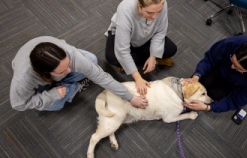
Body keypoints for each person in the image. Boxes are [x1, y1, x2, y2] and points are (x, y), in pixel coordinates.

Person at [10, 36, 148, 111]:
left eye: (68, 65)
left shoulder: (72, 56)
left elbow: (102, 77)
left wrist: (129, 97)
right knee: (55, 105)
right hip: (41, 85)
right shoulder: (24, 79)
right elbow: (18, 105)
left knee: (92, 60)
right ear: (47, 72)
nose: (69, 71)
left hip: (60, 68)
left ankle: (65, 86)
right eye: (63, 71)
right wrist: (51, 95)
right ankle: (71, 87)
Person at [105, 0, 177, 96]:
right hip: (124, 37)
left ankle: (131, 63)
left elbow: (160, 32)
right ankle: (132, 63)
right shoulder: (125, 9)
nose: (154, 17)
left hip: (147, 35)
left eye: (159, 12)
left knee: (171, 49)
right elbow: (122, 50)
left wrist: (153, 56)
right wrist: (138, 78)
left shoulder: (161, 5)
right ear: (139, 4)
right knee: (112, 57)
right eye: (149, 13)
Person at [183, 35, 247, 113]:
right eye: (232, 61)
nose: (232, 67)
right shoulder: (233, 43)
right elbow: (210, 58)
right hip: (221, 69)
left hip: (238, 84)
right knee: (198, 84)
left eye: (238, 68)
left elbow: (236, 100)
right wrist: (197, 75)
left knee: (212, 96)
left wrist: (208, 108)